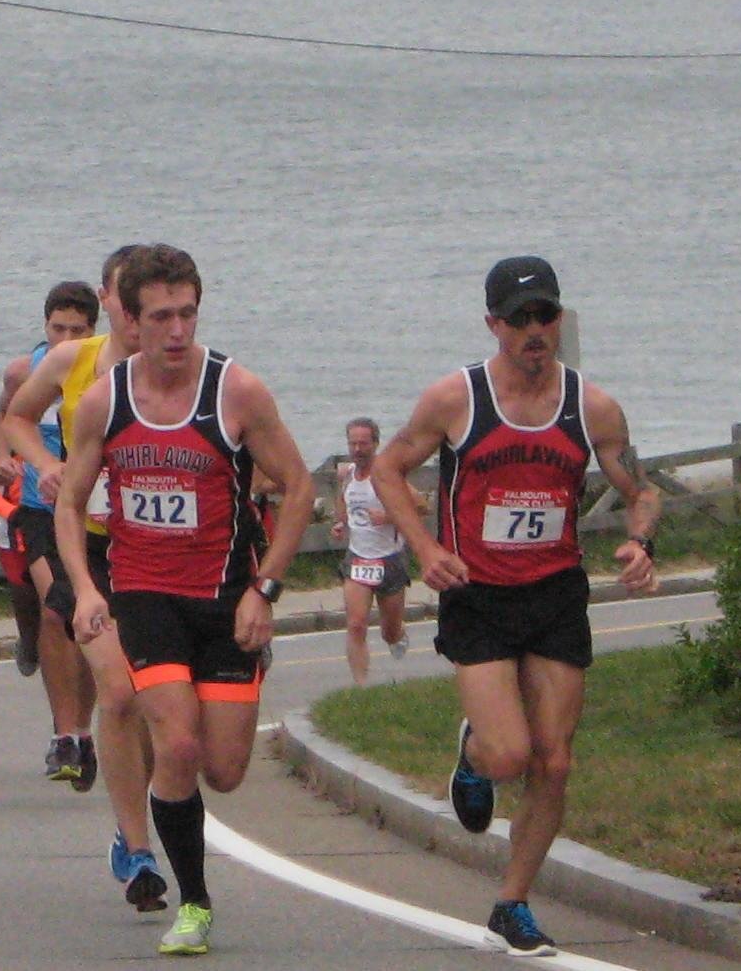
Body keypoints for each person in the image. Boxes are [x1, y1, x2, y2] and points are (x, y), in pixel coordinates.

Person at [365, 255, 661, 957]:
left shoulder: (591, 406)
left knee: (554, 763)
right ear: (493, 324)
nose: (535, 330)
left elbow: (640, 487)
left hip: (555, 591)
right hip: (479, 592)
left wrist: (641, 541)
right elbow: (387, 467)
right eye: (520, 318)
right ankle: (473, 753)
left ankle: (512, 902)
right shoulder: (456, 399)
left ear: (560, 320)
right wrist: (425, 547)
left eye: (546, 316)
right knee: (509, 753)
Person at [52, 243, 314, 956]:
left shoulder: (237, 392)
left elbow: (299, 486)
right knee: (179, 740)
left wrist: (267, 588)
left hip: (227, 597)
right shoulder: (107, 399)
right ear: (130, 321)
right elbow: (71, 502)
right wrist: (83, 588)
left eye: (187, 314)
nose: (176, 330)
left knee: (223, 770)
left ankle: (182, 836)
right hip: (143, 594)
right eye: (161, 316)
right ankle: (193, 901)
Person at [0, 248, 173, 913]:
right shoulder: (74, 360)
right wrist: (46, 461)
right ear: (111, 301)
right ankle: (136, 845)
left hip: (158, 552)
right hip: (87, 545)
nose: (144, 321)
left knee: (158, 706)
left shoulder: (185, 369)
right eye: (132, 306)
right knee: (120, 693)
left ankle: (144, 808)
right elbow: (16, 415)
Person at [0, 281, 103, 787]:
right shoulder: (25, 370)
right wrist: (5, 459)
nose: (65, 338)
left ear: (93, 330)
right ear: (44, 326)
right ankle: (63, 734)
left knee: (86, 621)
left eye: (76, 330)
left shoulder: (102, 369)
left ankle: (83, 730)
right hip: (40, 504)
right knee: (55, 609)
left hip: (90, 509)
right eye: (57, 327)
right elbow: (8, 416)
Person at [330, 416, 415, 685]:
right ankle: (361, 687)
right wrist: (340, 522)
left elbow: (423, 507)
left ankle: (397, 635)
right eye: (353, 443)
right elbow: (344, 500)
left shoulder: (387, 475)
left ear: (376, 444)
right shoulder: (346, 475)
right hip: (357, 558)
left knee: (388, 631)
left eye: (363, 443)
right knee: (356, 625)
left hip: (389, 558)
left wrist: (389, 517)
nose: (357, 449)